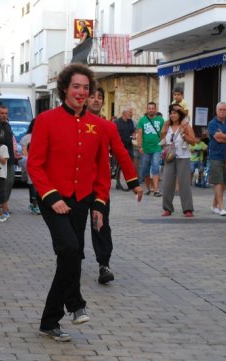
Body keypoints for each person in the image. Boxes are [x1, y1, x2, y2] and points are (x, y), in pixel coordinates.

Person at [27, 63, 110, 342]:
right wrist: (51, 197)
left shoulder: (98, 125)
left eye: (86, 88)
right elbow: (35, 165)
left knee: (69, 258)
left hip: (82, 199)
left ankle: (49, 321)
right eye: (76, 86)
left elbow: (101, 169)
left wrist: (98, 205)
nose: (82, 92)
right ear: (64, 88)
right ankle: (75, 303)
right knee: (71, 248)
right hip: (53, 199)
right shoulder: (46, 120)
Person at [86, 87, 143, 284]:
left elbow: (122, 154)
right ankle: (70, 261)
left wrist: (133, 182)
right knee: (73, 228)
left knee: (99, 225)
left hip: (98, 189)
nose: (95, 100)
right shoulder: (73, 123)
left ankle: (104, 265)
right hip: (74, 187)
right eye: (92, 96)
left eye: (99, 97)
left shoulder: (108, 127)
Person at [160, 106, 196, 216]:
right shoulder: (167, 125)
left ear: (180, 115)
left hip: (183, 156)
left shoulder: (185, 126)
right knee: (167, 182)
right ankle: (167, 208)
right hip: (170, 156)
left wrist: (184, 136)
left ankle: (188, 209)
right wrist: (164, 131)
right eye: (171, 113)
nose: (172, 115)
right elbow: (162, 140)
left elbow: (193, 141)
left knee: (184, 183)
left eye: (175, 113)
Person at [208, 101, 226, 216]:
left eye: (225, 110)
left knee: (223, 182)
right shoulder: (212, 123)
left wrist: (224, 136)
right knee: (218, 181)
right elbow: (218, 139)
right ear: (216, 110)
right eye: (220, 110)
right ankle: (221, 207)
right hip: (215, 156)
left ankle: (214, 205)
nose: (223, 111)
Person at [136, 102, 164, 196]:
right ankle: (148, 188)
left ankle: (156, 190)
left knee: (156, 167)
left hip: (157, 148)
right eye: (149, 108)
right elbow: (139, 134)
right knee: (145, 170)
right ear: (147, 109)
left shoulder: (160, 120)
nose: (151, 110)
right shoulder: (142, 120)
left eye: (153, 108)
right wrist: (140, 146)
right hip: (145, 149)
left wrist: (163, 143)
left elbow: (163, 133)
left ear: (155, 110)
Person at [0, 105, 15, 219]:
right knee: (1, 183)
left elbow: (11, 141)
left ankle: (4, 204)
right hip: (1, 159)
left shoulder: (8, 125)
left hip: (10, 158)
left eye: (6, 113)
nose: (4, 115)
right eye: (2, 113)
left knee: (10, 182)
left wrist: (15, 153)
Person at [18, 143, 39, 215]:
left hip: (31, 180)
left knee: (33, 193)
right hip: (35, 180)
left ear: (27, 150)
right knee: (35, 193)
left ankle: (34, 206)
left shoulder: (25, 159)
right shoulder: (36, 158)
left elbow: (22, 166)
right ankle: (35, 206)